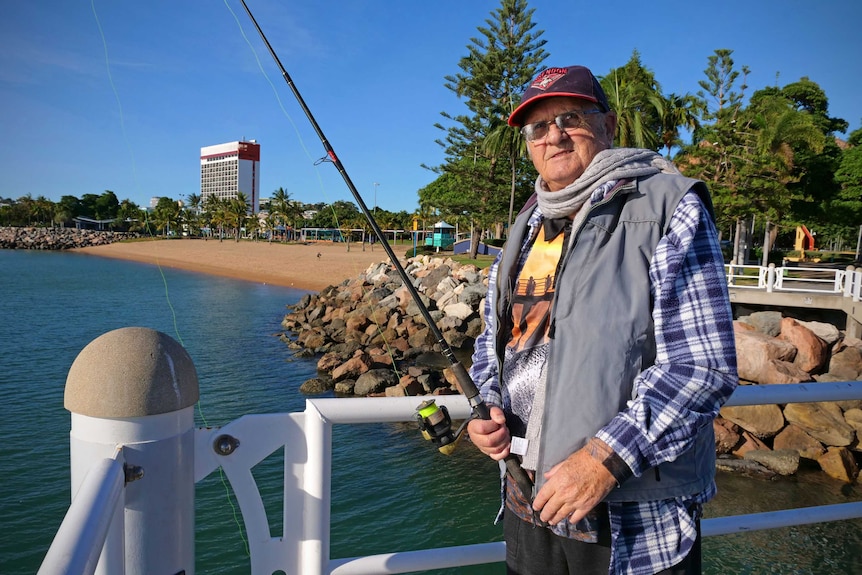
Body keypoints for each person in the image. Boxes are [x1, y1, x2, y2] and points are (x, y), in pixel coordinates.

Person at [466, 65, 738, 575]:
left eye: (571, 117)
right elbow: (493, 341)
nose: (554, 135)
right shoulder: (526, 227)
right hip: (529, 502)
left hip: (629, 517)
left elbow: (701, 366)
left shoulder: (668, 205)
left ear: (609, 125)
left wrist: (602, 461)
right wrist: (488, 404)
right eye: (538, 127)